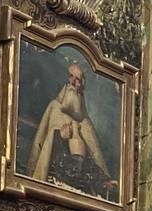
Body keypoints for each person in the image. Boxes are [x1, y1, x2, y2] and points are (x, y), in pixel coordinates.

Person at [26, 63, 116, 199]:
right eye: (71, 76)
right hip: (54, 184)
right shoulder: (54, 108)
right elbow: (41, 147)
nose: (73, 82)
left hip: (79, 190)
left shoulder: (85, 122)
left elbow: (93, 159)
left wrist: (103, 180)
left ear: (82, 86)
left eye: (78, 79)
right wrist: (59, 136)